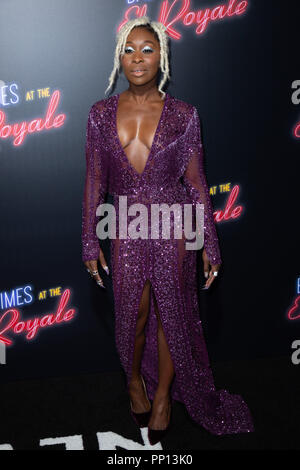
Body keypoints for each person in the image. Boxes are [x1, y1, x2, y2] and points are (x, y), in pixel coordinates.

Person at [81, 16, 254, 445]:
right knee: (134, 316)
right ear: (118, 57)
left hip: (174, 224)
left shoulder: (184, 115)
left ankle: (161, 397)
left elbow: (196, 184)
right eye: (129, 50)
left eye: (147, 49)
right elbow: (94, 182)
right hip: (123, 226)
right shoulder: (100, 114)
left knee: (172, 316)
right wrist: (90, 238)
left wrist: (209, 242)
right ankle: (135, 382)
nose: (138, 58)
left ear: (162, 56)